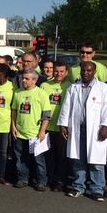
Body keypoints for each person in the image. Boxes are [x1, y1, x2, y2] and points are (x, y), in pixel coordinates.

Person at [58, 61, 107, 201]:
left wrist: (105, 126)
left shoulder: (103, 88)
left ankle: (97, 190)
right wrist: (63, 124)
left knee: (96, 161)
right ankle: (78, 187)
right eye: (83, 70)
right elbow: (66, 107)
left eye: (89, 71)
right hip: (77, 128)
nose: (85, 73)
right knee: (78, 159)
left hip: (96, 130)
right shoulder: (74, 87)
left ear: (94, 72)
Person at [11, 70, 51, 191]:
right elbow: (14, 111)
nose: (23, 81)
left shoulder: (41, 93)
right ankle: (22, 179)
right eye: (23, 78)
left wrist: (42, 130)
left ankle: (41, 181)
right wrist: (13, 126)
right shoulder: (18, 92)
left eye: (27, 79)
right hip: (20, 132)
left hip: (35, 133)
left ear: (34, 80)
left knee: (38, 160)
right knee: (20, 158)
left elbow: (46, 114)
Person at [40, 60, 71, 191]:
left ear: (67, 72)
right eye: (56, 71)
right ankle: (49, 178)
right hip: (47, 126)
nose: (58, 74)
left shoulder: (71, 86)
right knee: (48, 156)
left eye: (61, 71)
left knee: (62, 156)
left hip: (62, 128)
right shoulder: (44, 85)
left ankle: (60, 181)